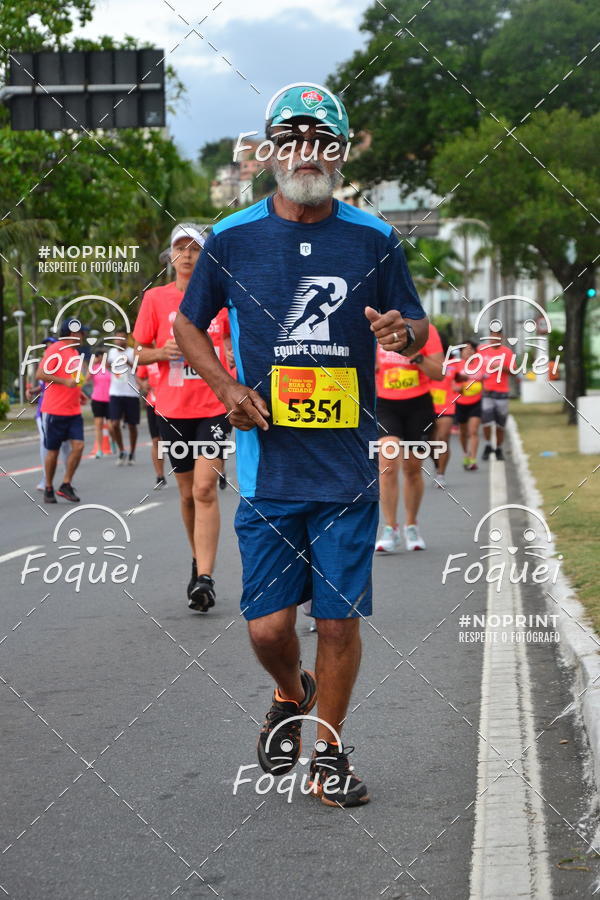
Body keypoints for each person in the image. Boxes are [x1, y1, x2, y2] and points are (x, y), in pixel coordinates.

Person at [173, 84, 428, 807]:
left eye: (320, 141)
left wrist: (399, 334)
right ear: (270, 152)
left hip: (348, 467)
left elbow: (416, 324)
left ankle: (330, 755)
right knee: (267, 628)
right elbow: (189, 327)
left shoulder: (374, 238)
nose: (305, 154)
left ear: (339, 153)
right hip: (268, 466)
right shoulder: (233, 236)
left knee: (340, 618)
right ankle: (292, 690)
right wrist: (226, 389)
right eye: (290, 141)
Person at [134, 224, 232, 612]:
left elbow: (232, 343)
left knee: (206, 489)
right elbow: (135, 353)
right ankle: (197, 560)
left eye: (195, 248)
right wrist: (163, 352)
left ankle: (205, 577)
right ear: (170, 255)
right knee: (187, 493)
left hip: (214, 405)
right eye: (180, 247)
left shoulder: (222, 300)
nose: (187, 255)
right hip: (172, 410)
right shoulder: (155, 299)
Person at [375, 323, 443, 552]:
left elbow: (439, 373)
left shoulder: (426, 331)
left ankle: (411, 525)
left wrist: (414, 355)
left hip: (418, 406)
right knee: (387, 463)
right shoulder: (376, 330)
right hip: (386, 405)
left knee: (412, 468)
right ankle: (390, 528)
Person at [35, 318, 87, 503]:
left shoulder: (74, 353)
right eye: (82, 332)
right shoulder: (55, 349)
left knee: (79, 446)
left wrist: (79, 393)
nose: (84, 336)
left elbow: (73, 378)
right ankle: (48, 487)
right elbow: (40, 374)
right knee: (53, 451)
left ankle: (66, 484)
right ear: (73, 333)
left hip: (73, 410)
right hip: (55, 409)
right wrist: (65, 382)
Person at [28, 337, 70, 490]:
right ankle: (46, 480)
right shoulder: (45, 365)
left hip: (64, 409)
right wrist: (31, 392)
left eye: (51, 345)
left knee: (66, 445)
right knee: (45, 443)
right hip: (44, 411)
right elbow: (42, 386)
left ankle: (67, 478)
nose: (49, 349)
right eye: (46, 346)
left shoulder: (66, 363)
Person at [478, 329, 516, 461]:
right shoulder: (481, 350)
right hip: (486, 392)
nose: (493, 339)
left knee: (500, 424)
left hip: (502, 392)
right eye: (491, 336)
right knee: (486, 422)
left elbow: (514, 371)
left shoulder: (507, 352)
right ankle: (488, 445)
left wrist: (502, 367)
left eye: (496, 336)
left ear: (501, 337)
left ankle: (498, 448)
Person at [428, 337, 460, 489]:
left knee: (442, 439)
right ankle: (437, 463)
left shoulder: (453, 365)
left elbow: (460, 379)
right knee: (430, 442)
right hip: (427, 407)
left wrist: (459, 385)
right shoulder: (425, 362)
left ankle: (441, 475)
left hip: (447, 407)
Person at [107, 331, 140, 465]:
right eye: (117, 338)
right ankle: (122, 450)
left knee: (132, 425)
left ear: (127, 339)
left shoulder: (132, 353)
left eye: (122, 338)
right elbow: (108, 364)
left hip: (131, 393)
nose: (119, 340)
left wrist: (129, 363)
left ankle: (132, 452)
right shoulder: (111, 353)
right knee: (114, 424)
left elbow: (140, 370)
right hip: (115, 393)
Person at [136, 361, 167, 489]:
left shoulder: (170, 353)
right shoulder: (148, 357)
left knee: (178, 440)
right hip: (152, 404)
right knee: (156, 441)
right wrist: (143, 384)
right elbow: (139, 376)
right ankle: (160, 476)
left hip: (170, 403)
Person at [454, 340, 483, 470]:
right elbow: (451, 382)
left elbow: (487, 379)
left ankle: (473, 459)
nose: (468, 352)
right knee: (463, 432)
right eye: (465, 349)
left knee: (473, 431)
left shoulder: (480, 365)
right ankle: (466, 453)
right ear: (461, 352)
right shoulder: (456, 366)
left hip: (476, 402)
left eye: (471, 349)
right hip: (460, 403)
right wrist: (456, 388)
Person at [87, 348, 112, 458]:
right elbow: (86, 379)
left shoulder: (110, 368)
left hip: (110, 399)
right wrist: (92, 363)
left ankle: (114, 442)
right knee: (99, 425)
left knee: (112, 426)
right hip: (97, 399)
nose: (102, 359)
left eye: (103, 357)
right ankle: (100, 449)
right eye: (99, 357)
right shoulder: (94, 368)